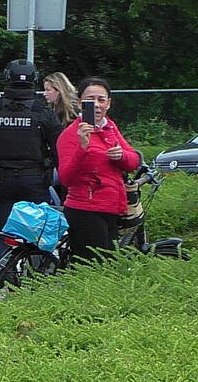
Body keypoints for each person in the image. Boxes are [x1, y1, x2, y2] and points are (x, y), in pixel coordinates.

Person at [0, 59, 62, 270]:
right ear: (34, 79)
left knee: (0, 236)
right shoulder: (42, 111)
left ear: (7, 77)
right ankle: (39, 279)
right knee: (38, 234)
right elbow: (59, 151)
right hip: (35, 181)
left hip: (1, 180)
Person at [57, 76, 141, 261]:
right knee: (95, 270)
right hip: (85, 209)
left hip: (111, 208)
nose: (96, 104)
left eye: (101, 100)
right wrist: (82, 147)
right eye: (90, 100)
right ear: (80, 103)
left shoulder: (110, 127)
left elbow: (134, 161)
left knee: (107, 269)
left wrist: (122, 156)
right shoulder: (70, 135)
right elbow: (66, 178)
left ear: (108, 104)